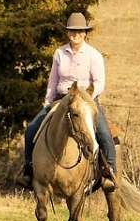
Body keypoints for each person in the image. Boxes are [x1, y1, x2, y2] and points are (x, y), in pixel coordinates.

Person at [18, 12, 117, 191]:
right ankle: (29, 170)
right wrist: (47, 103)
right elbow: (53, 81)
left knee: (104, 134)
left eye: (79, 31)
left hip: (86, 101)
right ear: (67, 33)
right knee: (32, 128)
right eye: (72, 31)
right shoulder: (59, 53)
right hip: (61, 99)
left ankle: (109, 172)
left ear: (85, 33)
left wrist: (88, 99)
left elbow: (100, 82)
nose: (75, 34)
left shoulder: (93, 55)